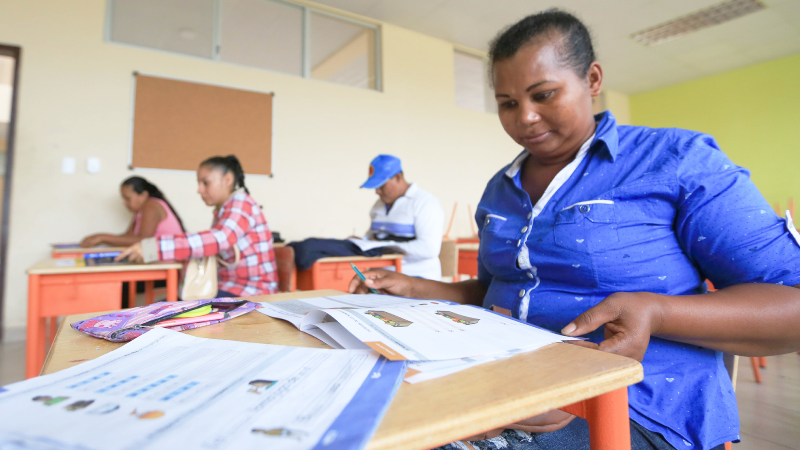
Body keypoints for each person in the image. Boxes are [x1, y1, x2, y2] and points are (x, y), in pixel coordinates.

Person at [349, 11, 800, 450]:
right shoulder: (499, 190)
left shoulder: (677, 160)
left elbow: (792, 304)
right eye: (508, 103)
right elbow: (499, 290)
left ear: (593, 80)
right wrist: (415, 289)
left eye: (543, 95)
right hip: (504, 381)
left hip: (641, 406)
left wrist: (656, 313)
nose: (525, 117)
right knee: (369, 422)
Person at [117, 155, 279, 297]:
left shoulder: (241, 202)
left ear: (227, 180)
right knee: (165, 308)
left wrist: (154, 247)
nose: (199, 190)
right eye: (199, 183)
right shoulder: (224, 210)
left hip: (252, 291)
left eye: (205, 183)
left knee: (170, 311)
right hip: (226, 287)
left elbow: (220, 239)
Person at [289, 154, 445, 280]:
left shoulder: (425, 203)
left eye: (381, 186)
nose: (377, 192)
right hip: (381, 276)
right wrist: (362, 240)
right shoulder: (378, 205)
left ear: (397, 178)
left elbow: (429, 249)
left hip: (417, 277)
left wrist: (384, 246)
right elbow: (373, 237)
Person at [80, 176, 185, 247]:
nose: (124, 203)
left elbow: (143, 241)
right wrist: (101, 239)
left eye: (127, 198)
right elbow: (128, 237)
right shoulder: (140, 211)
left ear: (143, 195)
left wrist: (102, 237)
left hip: (168, 265)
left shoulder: (151, 205)